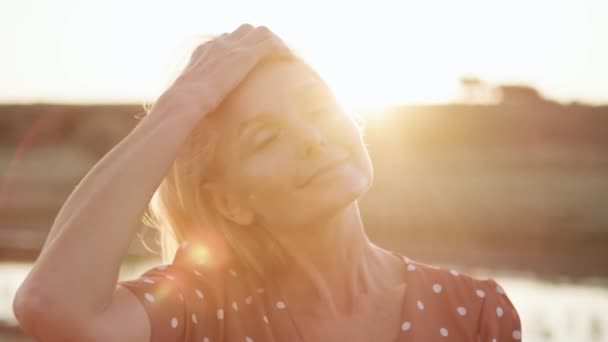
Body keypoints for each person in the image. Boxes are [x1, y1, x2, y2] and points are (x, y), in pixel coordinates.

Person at [13, 24, 521, 342]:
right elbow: (50, 307)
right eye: (265, 138)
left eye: (318, 108)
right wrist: (182, 105)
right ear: (228, 202)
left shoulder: (475, 313)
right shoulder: (198, 310)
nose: (311, 139)